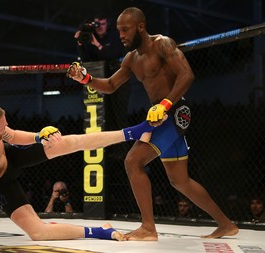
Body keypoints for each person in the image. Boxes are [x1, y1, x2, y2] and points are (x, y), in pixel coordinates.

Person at [67, 7, 238, 240]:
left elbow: (186, 75)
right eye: (119, 31)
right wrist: (85, 78)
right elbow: (110, 85)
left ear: (140, 27)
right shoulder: (131, 59)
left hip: (175, 111)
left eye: (125, 30)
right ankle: (226, 224)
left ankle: (148, 228)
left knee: (133, 161)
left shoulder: (163, 44)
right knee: (180, 180)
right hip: (159, 115)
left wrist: (166, 104)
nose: (122, 36)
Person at [0, 103, 154, 244]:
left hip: (11, 157)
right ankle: (101, 231)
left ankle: (134, 131)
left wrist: (39, 135)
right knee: (38, 233)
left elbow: (15, 135)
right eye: (2, 127)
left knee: (64, 143)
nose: (6, 127)